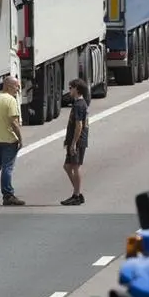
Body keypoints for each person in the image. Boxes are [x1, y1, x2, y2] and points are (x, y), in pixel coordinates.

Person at [0, 76, 26, 206]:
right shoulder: (10, 100)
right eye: (16, 87)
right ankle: (8, 195)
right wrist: (20, 139)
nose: (18, 90)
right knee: (7, 167)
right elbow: (14, 122)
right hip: (9, 139)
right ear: (8, 86)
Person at [61, 78, 91, 206]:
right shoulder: (80, 104)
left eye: (71, 88)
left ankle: (77, 195)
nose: (69, 90)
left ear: (77, 89)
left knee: (75, 167)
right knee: (67, 166)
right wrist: (68, 140)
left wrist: (73, 143)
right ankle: (77, 192)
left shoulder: (79, 105)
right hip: (74, 140)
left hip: (78, 141)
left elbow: (79, 126)